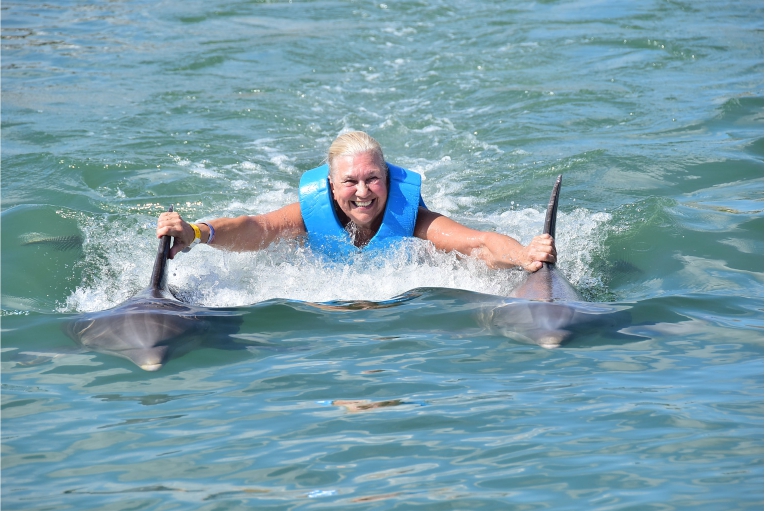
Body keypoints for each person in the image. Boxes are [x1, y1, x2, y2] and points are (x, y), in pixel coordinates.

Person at [156, 131, 556, 272]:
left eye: (373, 179)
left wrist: (524, 255)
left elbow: (478, 243)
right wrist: (196, 232)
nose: (363, 192)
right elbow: (256, 228)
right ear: (331, 186)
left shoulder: (411, 218)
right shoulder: (309, 216)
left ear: (387, 180)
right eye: (350, 181)